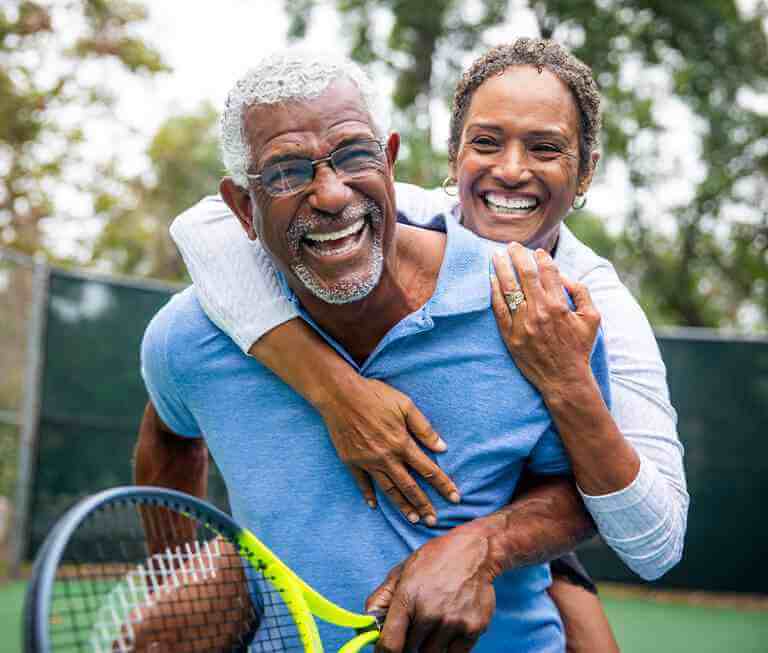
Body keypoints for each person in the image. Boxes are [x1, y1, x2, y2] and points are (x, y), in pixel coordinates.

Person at [167, 39, 688, 651]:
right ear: (453, 154)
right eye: (487, 142)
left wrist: (563, 380)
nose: (512, 169)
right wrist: (337, 393)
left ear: (585, 172)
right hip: (466, 502)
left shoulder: (597, 306)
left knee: (586, 631)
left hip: (534, 513)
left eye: (545, 147)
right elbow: (204, 226)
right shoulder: (384, 210)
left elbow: (653, 542)